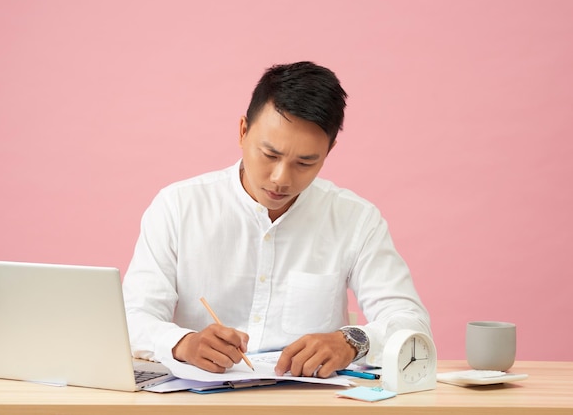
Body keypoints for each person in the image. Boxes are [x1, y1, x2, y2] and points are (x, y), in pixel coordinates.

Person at [122, 61, 431, 378]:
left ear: (330, 150)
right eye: (269, 155)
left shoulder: (356, 219)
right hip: (197, 400)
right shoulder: (178, 207)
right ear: (243, 131)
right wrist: (184, 343)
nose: (281, 179)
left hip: (308, 403)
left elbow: (411, 320)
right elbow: (132, 317)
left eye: (305, 162)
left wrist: (354, 341)